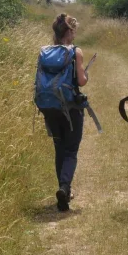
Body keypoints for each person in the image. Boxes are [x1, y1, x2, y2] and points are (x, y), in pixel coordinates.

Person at [36, 14, 89, 212]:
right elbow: (81, 81)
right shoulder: (76, 52)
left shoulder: (44, 52)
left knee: (59, 147)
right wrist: (86, 75)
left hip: (48, 106)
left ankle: (63, 189)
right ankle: (64, 188)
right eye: (74, 31)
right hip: (70, 107)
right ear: (69, 32)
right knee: (71, 150)